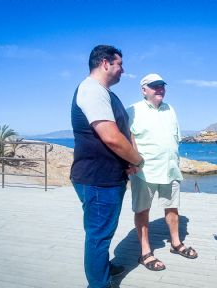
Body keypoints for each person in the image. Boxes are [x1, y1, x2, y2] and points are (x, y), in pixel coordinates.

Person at [70, 45, 144, 288]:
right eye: (120, 64)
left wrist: (129, 160)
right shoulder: (91, 90)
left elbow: (125, 130)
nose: (123, 69)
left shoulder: (106, 93)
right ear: (105, 63)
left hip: (109, 177)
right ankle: (98, 283)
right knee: (98, 236)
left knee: (103, 232)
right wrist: (137, 160)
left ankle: (102, 268)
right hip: (97, 179)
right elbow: (111, 137)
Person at [126, 73, 198, 272]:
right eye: (154, 86)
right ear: (144, 90)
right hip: (144, 172)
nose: (160, 89)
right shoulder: (133, 110)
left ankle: (176, 243)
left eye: (162, 86)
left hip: (170, 169)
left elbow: (174, 139)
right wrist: (131, 163)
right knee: (142, 211)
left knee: (172, 207)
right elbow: (127, 138)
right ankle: (145, 252)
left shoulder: (170, 109)